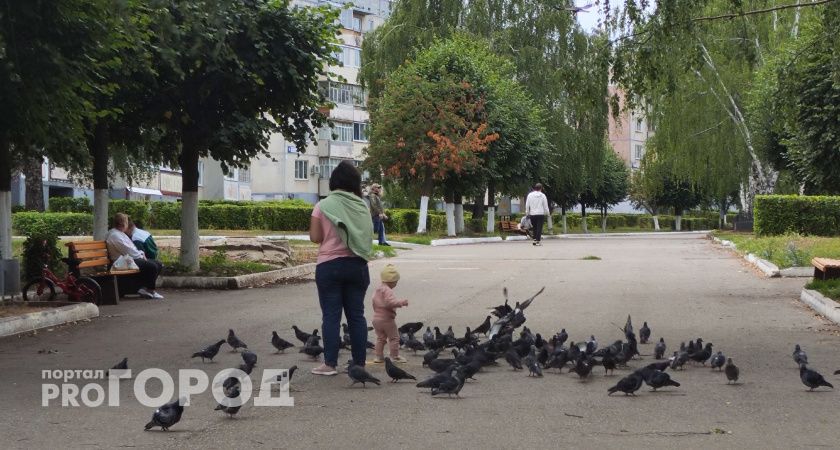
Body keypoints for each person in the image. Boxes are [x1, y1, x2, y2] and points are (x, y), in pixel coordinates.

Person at [309, 161, 374, 376]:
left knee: (331, 316)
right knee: (357, 316)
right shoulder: (362, 206)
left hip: (329, 267)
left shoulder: (323, 206)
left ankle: (329, 364)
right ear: (355, 183)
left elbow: (315, 237)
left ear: (334, 182)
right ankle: (359, 363)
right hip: (357, 266)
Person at [105, 213, 164, 299]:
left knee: (158, 264)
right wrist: (140, 254)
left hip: (127, 260)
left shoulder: (119, 233)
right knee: (152, 266)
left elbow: (131, 248)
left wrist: (140, 253)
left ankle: (143, 288)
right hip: (121, 262)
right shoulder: (115, 235)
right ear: (124, 223)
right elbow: (128, 251)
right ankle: (150, 290)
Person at [371, 264, 409, 364]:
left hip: (376, 319)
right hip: (387, 319)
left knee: (381, 338)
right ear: (391, 281)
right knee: (394, 338)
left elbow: (374, 302)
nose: (396, 284)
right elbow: (390, 302)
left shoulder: (378, 289)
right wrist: (401, 303)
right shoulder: (388, 291)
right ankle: (394, 356)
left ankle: (378, 357)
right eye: (396, 281)